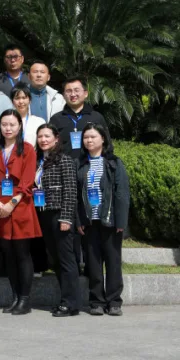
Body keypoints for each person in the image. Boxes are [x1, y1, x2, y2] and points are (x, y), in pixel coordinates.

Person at [0, 110, 41, 315]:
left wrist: (12, 203)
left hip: (20, 206)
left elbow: (28, 181)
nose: (8, 128)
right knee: (8, 254)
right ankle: (15, 297)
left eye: (12, 124)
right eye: (4, 124)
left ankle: (25, 299)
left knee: (22, 253)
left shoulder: (27, 149)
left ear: (19, 126)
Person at [78, 124, 129, 317]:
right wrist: (79, 220)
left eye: (93, 137)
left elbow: (122, 193)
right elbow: (76, 196)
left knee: (113, 262)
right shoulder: (80, 164)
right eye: (86, 137)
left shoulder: (114, 163)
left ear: (103, 139)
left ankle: (114, 301)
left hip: (110, 221)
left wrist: (121, 222)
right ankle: (96, 301)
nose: (89, 140)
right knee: (93, 263)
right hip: (90, 222)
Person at [34, 124, 80, 317]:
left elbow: (70, 190)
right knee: (55, 259)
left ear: (56, 138)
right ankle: (65, 300)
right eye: (40, 136)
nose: (43, 140)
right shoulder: (39, 161)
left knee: (66, 260)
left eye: (47, 136)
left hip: (59, 214)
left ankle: (71, 303)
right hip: (44, 213)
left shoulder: (64, 160)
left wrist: (66, 218)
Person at [50, 76, 110, 158]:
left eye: (76, 90)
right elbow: (50, 146)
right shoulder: (56, 119)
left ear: (85, 93)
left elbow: (107, 145)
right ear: (63, 95)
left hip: (91, 164)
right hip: (65, 164)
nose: (73, 94)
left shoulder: (96, 117)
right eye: (69, 91)